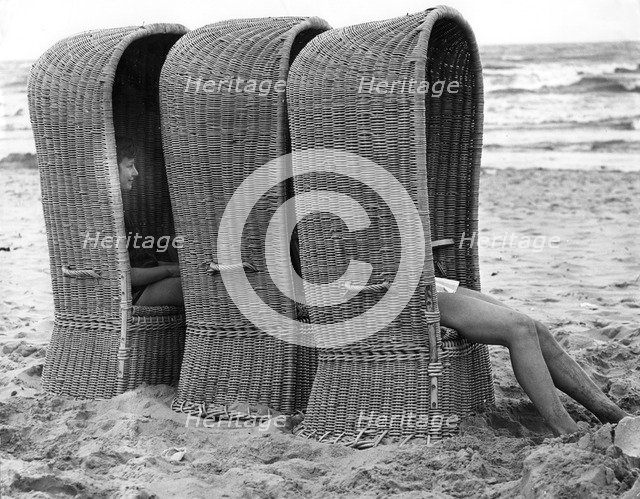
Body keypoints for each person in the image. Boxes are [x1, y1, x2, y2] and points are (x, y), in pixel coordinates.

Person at [434, 276, 629, 436]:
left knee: (536, 329)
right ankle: (566, 430)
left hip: (427, 281)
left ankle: (614, 414)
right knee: (521, 330)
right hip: (409, 292)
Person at [117, 139, 184, 307]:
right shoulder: (113, 217)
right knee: (194, 288)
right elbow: (128, 275)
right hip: (136, 293)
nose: (136, 173)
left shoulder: (123, 209)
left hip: (147, 284)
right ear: (112, 167)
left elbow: (142, 262)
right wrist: (170, 270)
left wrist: (177, 267)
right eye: (130, 166)